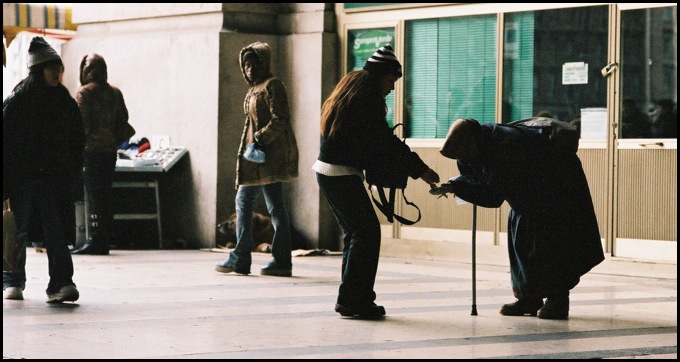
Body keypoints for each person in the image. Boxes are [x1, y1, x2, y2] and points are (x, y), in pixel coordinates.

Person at [313, 44, 440, 319]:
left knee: (357, 234)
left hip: (329, 171)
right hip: (340, 173)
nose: (393, 87)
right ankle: (355, 300)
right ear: (382, 75)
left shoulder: (352, 90)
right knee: (367, 233)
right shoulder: (366, 99)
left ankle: (352, 298)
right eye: (392, 80)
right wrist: (422, 170)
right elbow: (385, 142)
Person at [435, 118, 604, 319]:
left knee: (550, 245)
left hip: (555, 190)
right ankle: (529, 297)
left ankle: (558, 299)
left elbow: (494, 196)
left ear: (472, 144)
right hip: (524, 193)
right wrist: (457, 184)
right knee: (521, 241)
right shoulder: (473, 147)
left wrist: (460, 188)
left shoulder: (505, 146)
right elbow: (474, 177)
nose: (463, 159)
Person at [3, 36, 84, 303]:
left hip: (50, 177)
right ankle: (13, 281)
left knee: (55, 229)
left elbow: (76, 139)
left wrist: (72, 172)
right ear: (39, 70)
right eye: (52, 68)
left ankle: (61, 283)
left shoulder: (63, 100)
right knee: (19, 227)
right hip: (24, 177)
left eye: (59, 68)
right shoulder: (19, 99)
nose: (57, 74)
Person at [214, 41, 299, 277]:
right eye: (247, 65)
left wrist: (260, 139)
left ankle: (244, 257)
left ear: (264, 63)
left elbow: (280, 119)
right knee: (268, 207)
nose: (250, 69)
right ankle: (275, 260)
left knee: (261, 206)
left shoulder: (273, 85)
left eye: (254, 64)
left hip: (267, 158)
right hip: (257, 158)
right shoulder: (254, 88)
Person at [71, 53, 134, 255]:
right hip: (109, 150)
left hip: (90, 151)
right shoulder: (115, 92)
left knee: (93, 195)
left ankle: (95, 239)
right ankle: (104, 237)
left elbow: (80, 124)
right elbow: (123, 119)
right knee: (105, 194)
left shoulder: (84, 93)